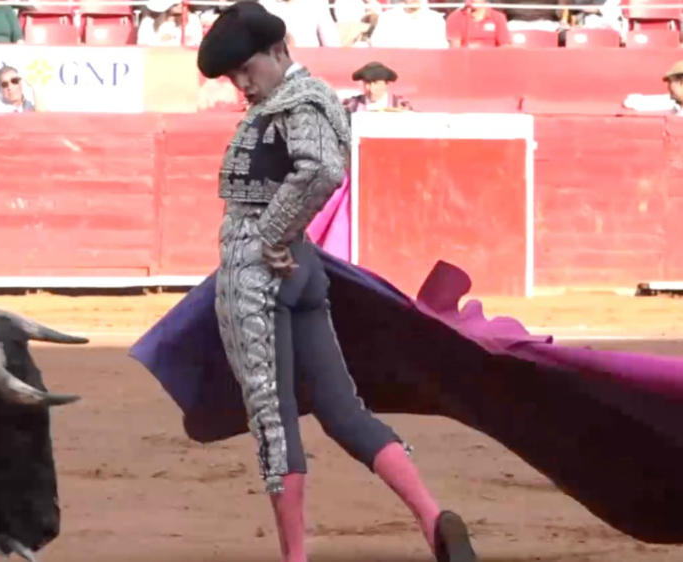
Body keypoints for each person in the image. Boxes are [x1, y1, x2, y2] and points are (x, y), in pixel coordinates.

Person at [192, 2, 477, 561]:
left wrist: (270, 236)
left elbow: (322, 170)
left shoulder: (296, 100)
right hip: (304, 272)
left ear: (279, 51)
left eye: (247, 69)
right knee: (344, 411)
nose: (242, 84)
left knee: (274, 423)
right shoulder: (295, 100)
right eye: (233, 77)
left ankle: (295, 558)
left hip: (264, 277)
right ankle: (432, 518)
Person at [343, 61, 413, 113]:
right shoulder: (354, 103)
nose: (370, 88)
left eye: (377, 83)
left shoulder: (399, 103)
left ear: (386, 84)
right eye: (367, 83)